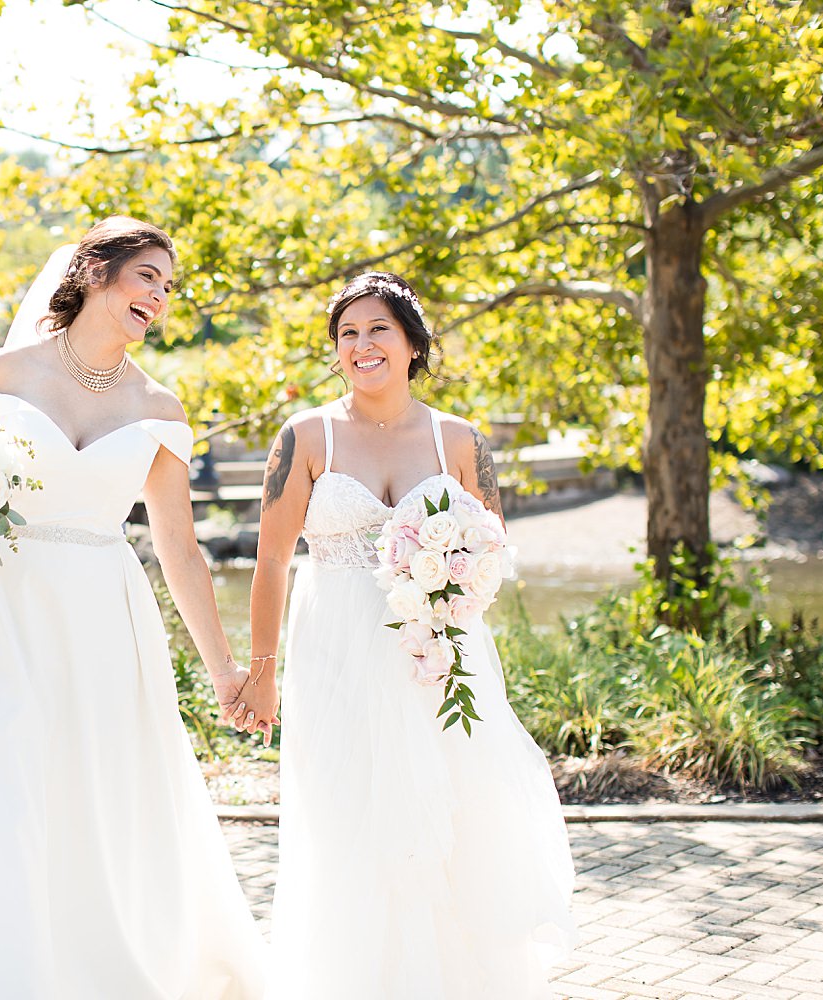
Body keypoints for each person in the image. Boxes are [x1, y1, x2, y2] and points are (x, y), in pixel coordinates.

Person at [0, 217, 266, 1000]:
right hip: (2, 609)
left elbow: (177, 545)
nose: (159, 298)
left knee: (95, 793)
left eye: (168, 287)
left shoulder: (158, 406)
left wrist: (225, 668)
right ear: (96, 273)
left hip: (104, 616)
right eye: (147, 277)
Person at [244, 271, 576, 998]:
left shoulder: (460, 440)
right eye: (348, 334)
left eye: (378, 330)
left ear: (413, 344)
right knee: (344, 815)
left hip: (440, 657)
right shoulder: (304, 437)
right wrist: (261, 668)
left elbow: (493, 551)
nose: (362, 345)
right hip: (331, 648)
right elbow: (271, 560)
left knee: (452, 818)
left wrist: (450, 597)